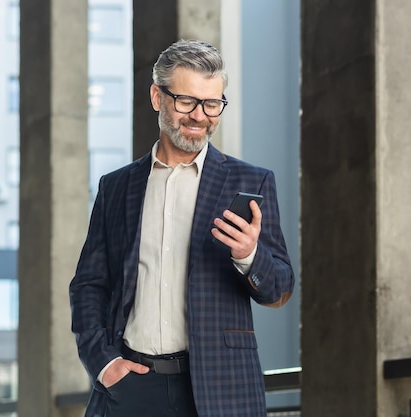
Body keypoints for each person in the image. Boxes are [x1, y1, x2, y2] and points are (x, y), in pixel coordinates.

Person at [70, 39, 294, 417]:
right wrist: (105, 365)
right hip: (130, 387)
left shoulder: (251, 181)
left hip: (220, 389)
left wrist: (249, 256)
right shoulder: (117, 187)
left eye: (212, 104)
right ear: (158, 97)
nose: (199, 116)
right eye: (186, 101)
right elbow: (89, 285)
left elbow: (280, 291)